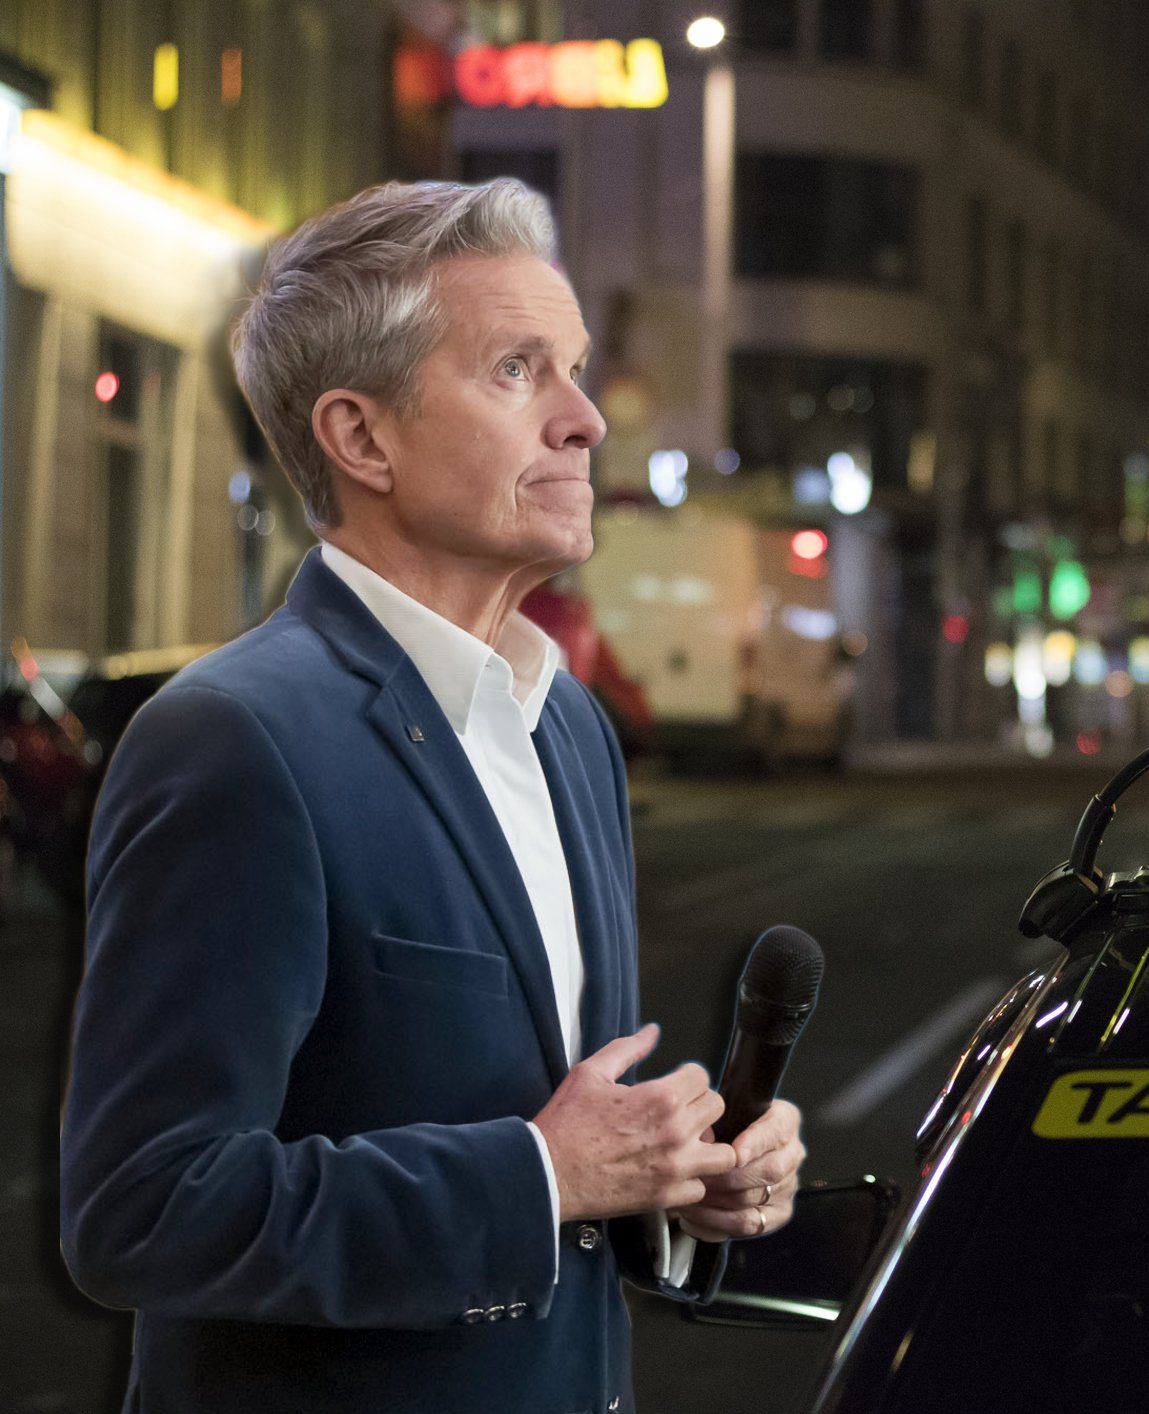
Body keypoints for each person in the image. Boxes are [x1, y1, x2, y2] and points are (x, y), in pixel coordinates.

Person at [58, 179, 804, 1412]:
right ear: (362, 439)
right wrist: (540, 1175)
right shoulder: (234, 740)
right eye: (519, 370)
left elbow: (567, 1160)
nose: (581, 421)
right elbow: (145, 1207)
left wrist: (679, 1183)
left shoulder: (569, 726)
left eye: (573, 368)